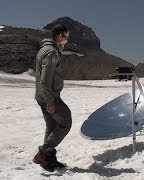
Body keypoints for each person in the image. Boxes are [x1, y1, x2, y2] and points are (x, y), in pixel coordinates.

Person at [33, 24, 72, 172]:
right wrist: (50, 101)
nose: (67, 41)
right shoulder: (51, 52)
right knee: (66, 122)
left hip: (42, 95)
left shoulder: (44, 49)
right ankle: (43, 153)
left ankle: (48, 160)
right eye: (66, 38)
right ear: (60, 37)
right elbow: (44, 80)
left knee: (52, 126)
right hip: (49, 96)